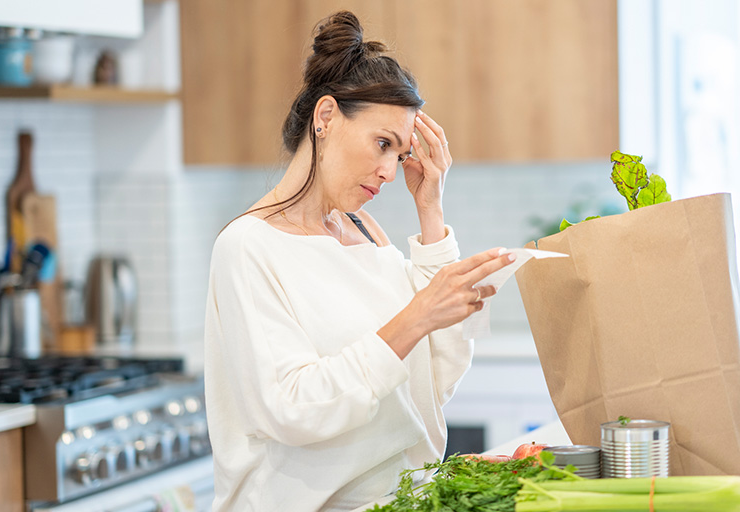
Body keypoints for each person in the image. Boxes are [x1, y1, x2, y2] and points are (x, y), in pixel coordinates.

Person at [204, 11, 516, 512]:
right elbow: (293, 408)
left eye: (401, 152)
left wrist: (430, 209)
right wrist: (416, 316)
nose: (391, 171)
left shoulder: (367, 233)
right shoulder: (248, 246)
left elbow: (434, 379)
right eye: (382, 144)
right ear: (325, 117)